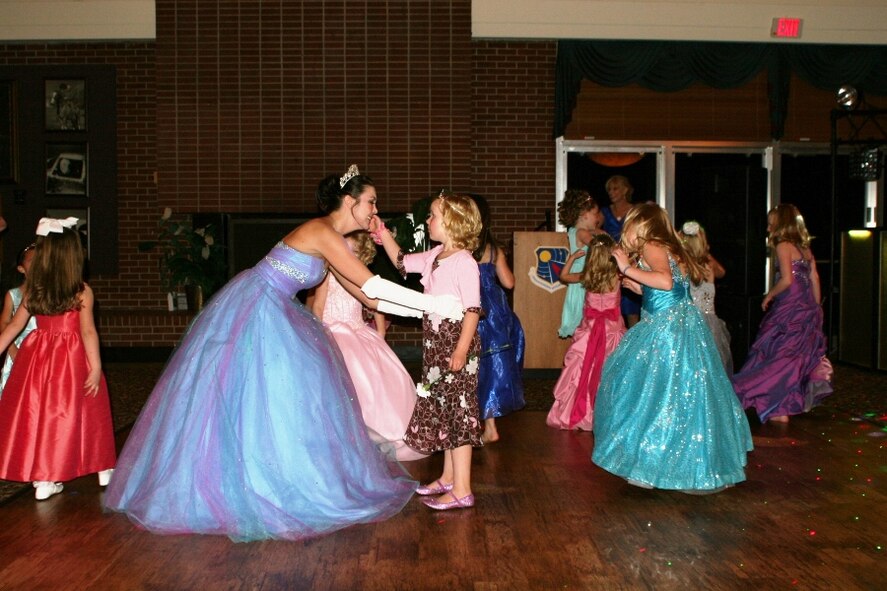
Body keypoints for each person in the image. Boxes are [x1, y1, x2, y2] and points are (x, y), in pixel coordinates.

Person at [104, 165, 465, 541]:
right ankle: (242, 486)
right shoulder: (322, 232)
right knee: (249, 396)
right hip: (258, 307)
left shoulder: (334, 243)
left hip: (273, 309)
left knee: (279, 399)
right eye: (371, 201)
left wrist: (431, 307)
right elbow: (372, 283)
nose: (375, 209)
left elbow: (367, 295)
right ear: (349, 201)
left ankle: (273, 478)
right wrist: (435, 304)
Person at [591, 203, 752, 493]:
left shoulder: (652, 245)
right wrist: (638, 286)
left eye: (629, 225)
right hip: (676, 323)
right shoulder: (665, 246)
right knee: (675, 395)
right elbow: (673, 286)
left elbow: (665, 281)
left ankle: (652, 463)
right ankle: (662, 463)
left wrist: (627, 268)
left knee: (653, 393)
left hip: (667, 329)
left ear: (642, 226)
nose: (625, 231)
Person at [376, 192, 483, 511]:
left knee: (459, 414)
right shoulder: (436, 254)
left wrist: (462, 349)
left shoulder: (464, 262)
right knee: (446, 411)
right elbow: (401, 261)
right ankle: (449, 478)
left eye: (433, 215)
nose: (428, 220)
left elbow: (473, 310)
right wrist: (382, 234)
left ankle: (463, 489)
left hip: (455, 342)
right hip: (436, 344)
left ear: (451, 222)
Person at [0, 218, 115, 501]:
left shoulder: (35, 289)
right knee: (85, 408)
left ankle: (45, 476)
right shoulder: (81, 290)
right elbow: (87, 331)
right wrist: (95, 366)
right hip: (72, 357)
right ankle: (99, 465)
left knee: (44, 415)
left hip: (38, 356)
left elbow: (14, 327)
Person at [308, 231, 426, 461]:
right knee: (349, 381)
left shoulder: (364, 278)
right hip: (333, 333)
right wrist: (318, 337)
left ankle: (384, 433)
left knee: (377, 383)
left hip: (359, 331)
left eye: (352, 253)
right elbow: (317, 309)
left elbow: (375, 305)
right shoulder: (327, 276)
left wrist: (380, 332)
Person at [732, 204, 833, 424]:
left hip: (790, 303)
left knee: (779, 355)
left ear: (782, 224)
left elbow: (787, 279)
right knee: (792, 357)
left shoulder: (783, 244)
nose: (768, 229)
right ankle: (780, 405)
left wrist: (769, 295)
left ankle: (746, 390)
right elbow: (814, 277)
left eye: (771, 224)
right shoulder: (805, 247)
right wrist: (816, 308)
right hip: (805, 304)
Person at [547, 233, 625, 430]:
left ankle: (577, 411)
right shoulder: (618, 276)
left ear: (591, 256)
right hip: (611, 331)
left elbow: (563, 276)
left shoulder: (587, 276)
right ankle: (605, 414)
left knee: (582, 370)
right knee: (607, 371)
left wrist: (572, 258)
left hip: (589, 331)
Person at [470, 194, 525, 444]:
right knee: (492, 365)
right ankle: (489, 423)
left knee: (474, 365)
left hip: (473, 308)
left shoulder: (461, 249)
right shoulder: (493, 249)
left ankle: (476, 422)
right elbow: (509, 282)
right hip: (495, 311)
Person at [679, 220, 733, 376]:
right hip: (707, 323)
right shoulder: (707, 266)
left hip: (693, 322)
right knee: (707, 368)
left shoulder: (684, 266)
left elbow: (722, 272)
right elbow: (721, 272)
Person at [557, 190, 605, 338]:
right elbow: (599, 247)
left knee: (583, 326)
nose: (598, 218)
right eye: (595, 214)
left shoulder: (573, 230)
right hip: (582, 280)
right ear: (584, 215)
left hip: (579, 280)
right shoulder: (582, 233)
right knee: (584, 320)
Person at [601, 175, 641, 327]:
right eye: (609, 189)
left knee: (631, 307)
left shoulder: (635, 210)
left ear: (625, 190)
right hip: (610, 263)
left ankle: (635, 345)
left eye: (615, 188)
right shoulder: (604, 212)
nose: (611, 192)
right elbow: (590, 228)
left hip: (630, 260)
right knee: (611, 306)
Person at [0, 244, 38, 395]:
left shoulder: (50, 293)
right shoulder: (14, 294)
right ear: (21, 269)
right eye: (31, 260)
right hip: (19, 349)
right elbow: (4, 323)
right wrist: (12, 349)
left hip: (41, 350)